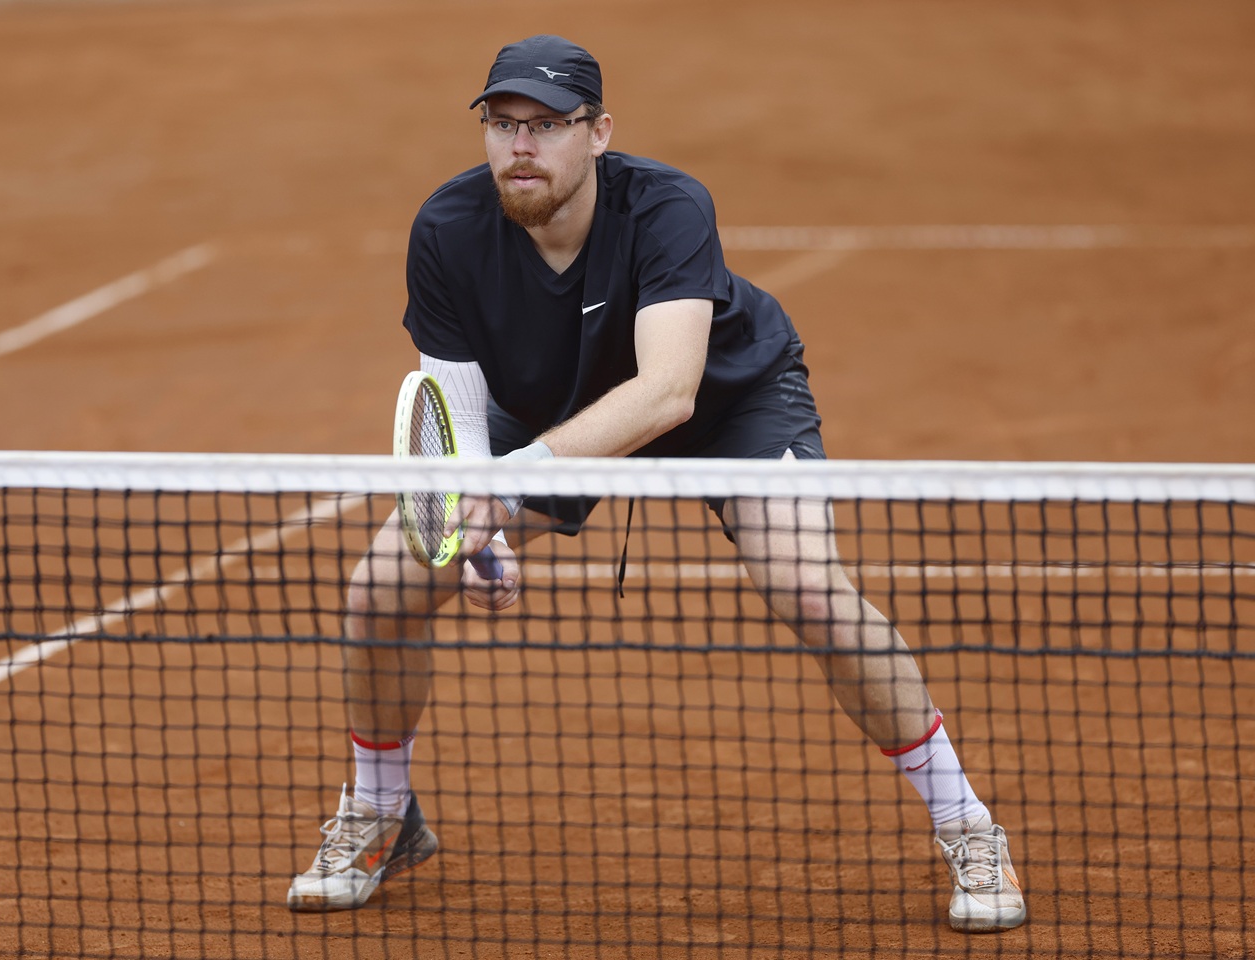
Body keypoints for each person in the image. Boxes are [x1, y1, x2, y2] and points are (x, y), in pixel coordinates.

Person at [287, 34, 1026, 934]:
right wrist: (480, 532)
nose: (521, 146)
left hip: (725, 400)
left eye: (547, 125)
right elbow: (459, 420)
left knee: (807, 586)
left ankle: (967, 824)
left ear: (598, 133)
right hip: (555, 407)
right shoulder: (448, 228)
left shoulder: (668, 206)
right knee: (380, 588)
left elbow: (669, 392)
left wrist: (508, 488)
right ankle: (382, 814)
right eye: (503, 124)